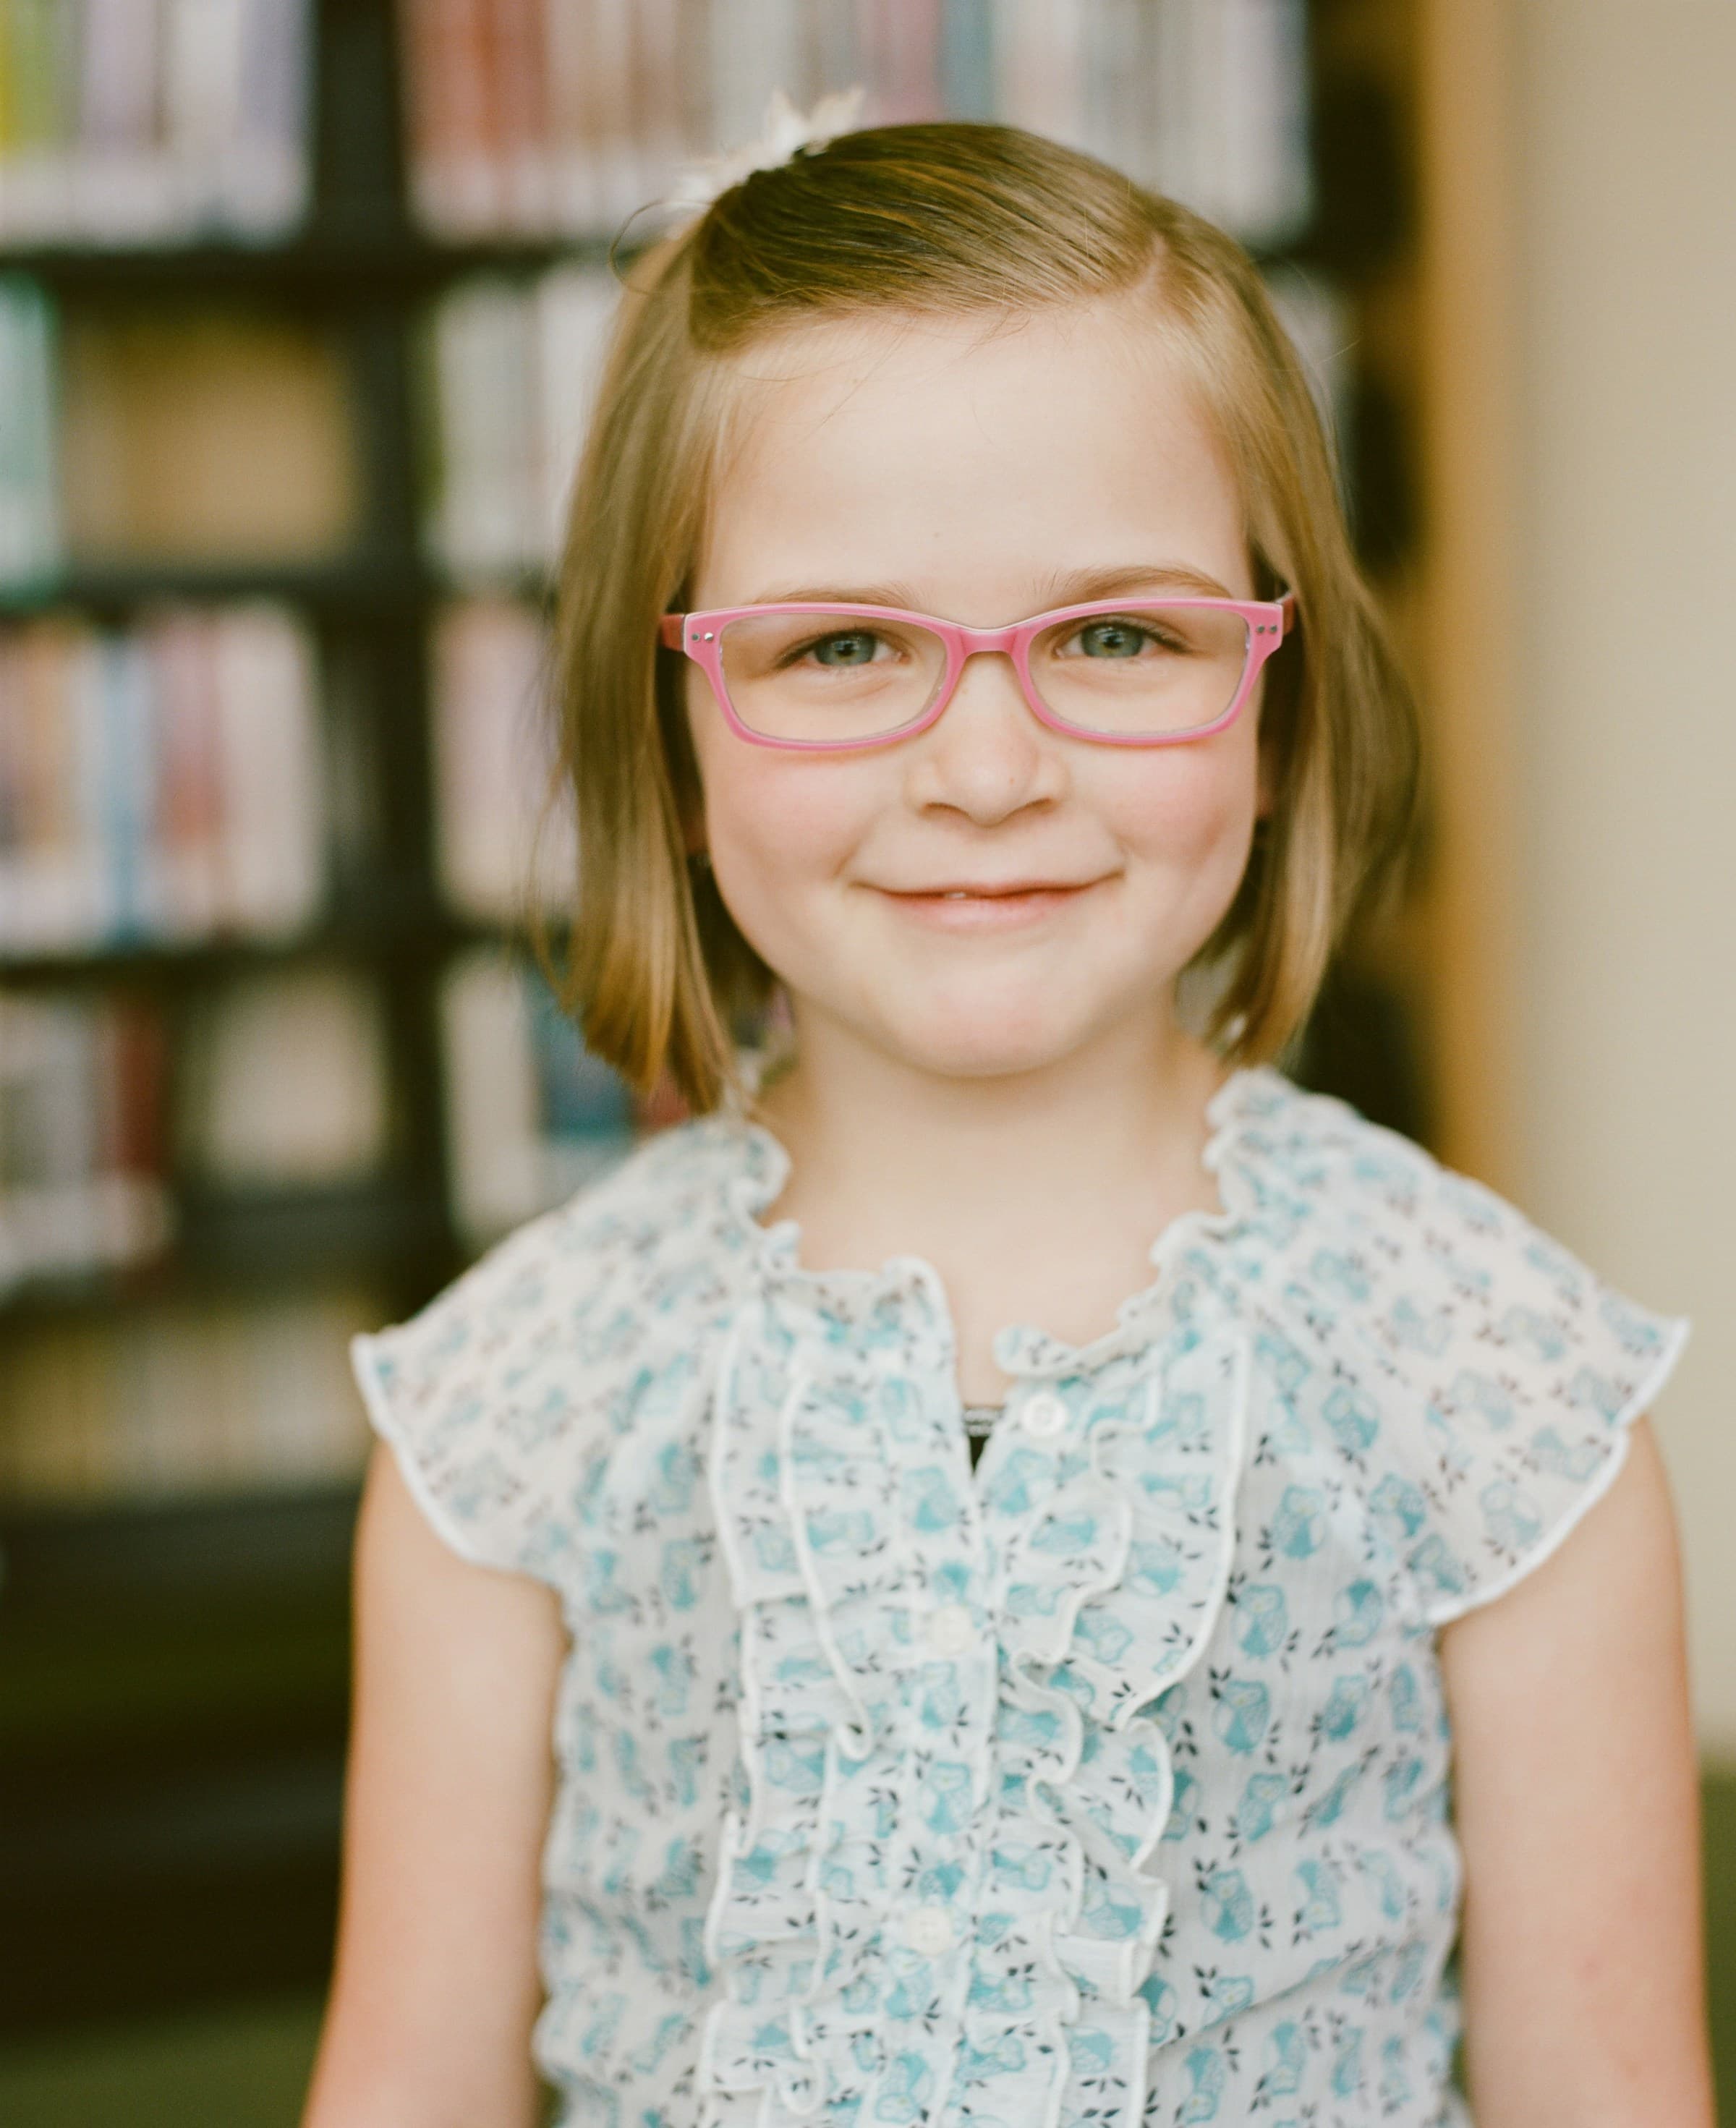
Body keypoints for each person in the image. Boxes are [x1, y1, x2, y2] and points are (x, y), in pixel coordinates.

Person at [301, 116, 1714, 2128]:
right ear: (671, 737)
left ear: (1278, 696)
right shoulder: (507, 1420)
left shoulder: (1502, 1400)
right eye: (842, 646)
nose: (985, 769)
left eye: (1116, 636)